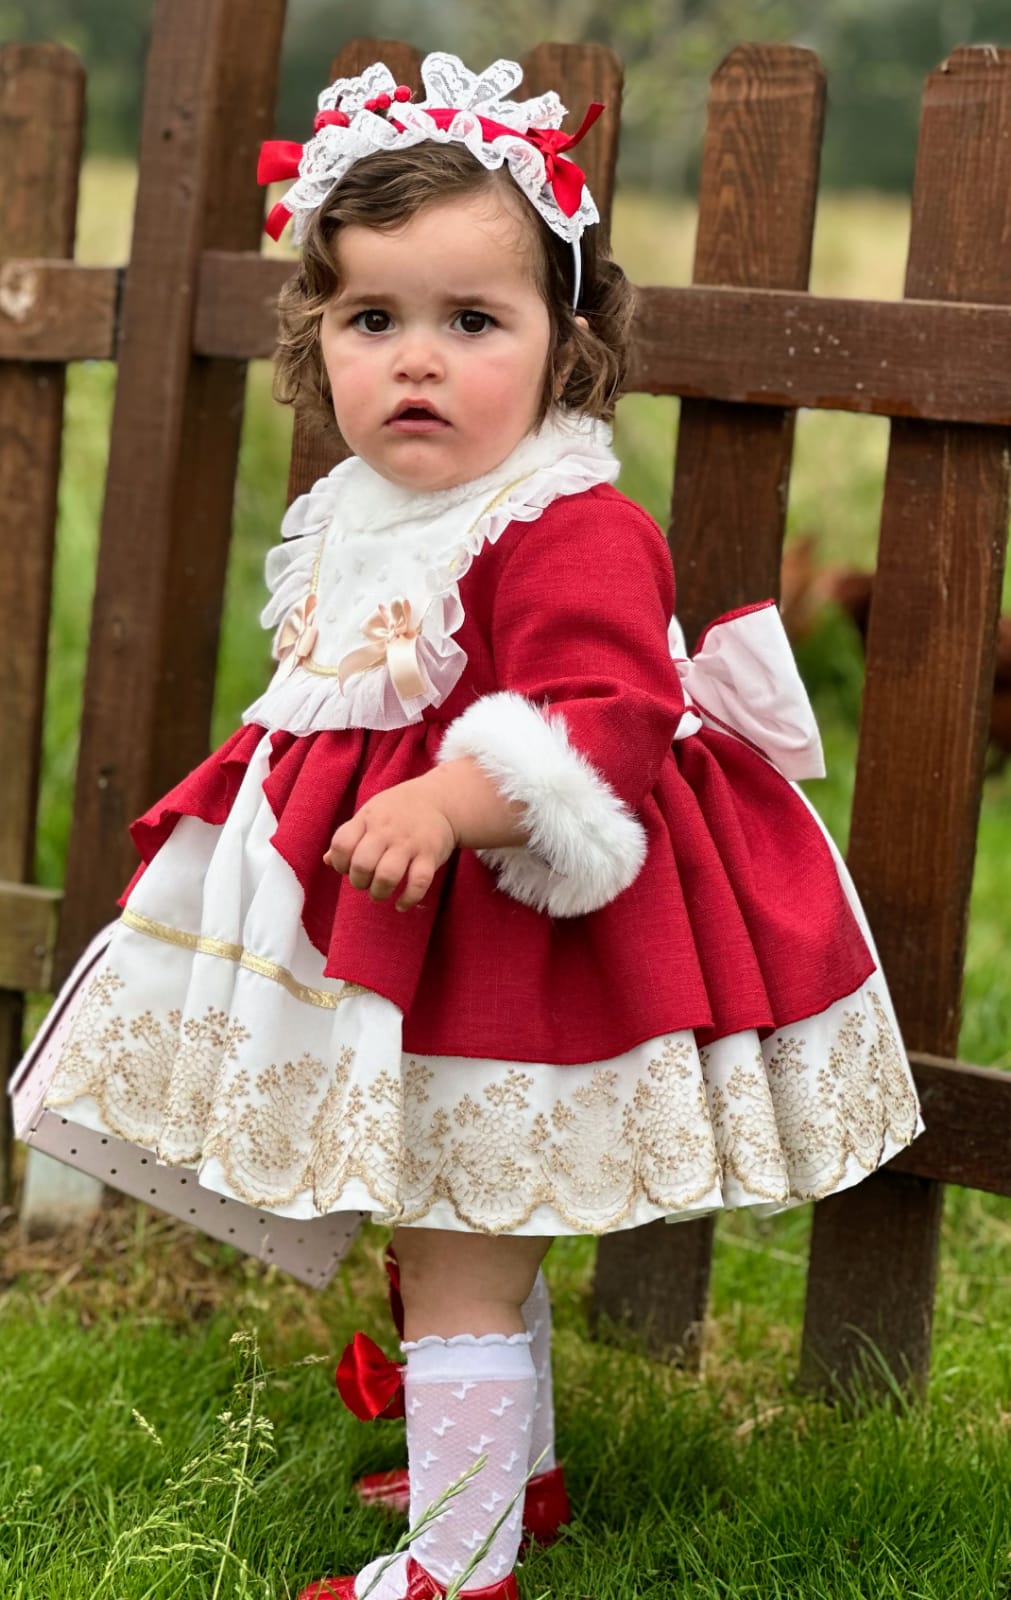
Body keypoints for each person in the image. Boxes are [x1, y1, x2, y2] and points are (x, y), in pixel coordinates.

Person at [37, 51, 923, 1600]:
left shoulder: (571, 518)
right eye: (374, 321)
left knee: (460, 1226)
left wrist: (456, 793)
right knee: (450, 1209)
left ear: (567, 349)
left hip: (524, 941)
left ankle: (461, 1561)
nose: (419, 362)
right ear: (318, 342)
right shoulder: (363, 511)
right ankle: (514, 1471)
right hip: (401, 937)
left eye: (473, 322)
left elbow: (609, 720)